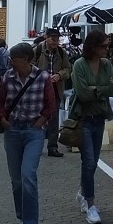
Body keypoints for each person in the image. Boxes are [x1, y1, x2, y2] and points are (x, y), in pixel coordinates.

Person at [0, 42, 56, 224]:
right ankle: (21, 216)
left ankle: (32, 223)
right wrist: (2, 119)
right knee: (16, 180)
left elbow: (50, 105)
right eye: (11, 59)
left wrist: (40, 122)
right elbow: (0, 102)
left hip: (33, 131)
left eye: (15, 59)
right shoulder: (7, 77)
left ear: (27, 60)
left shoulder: (43, 78)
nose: (12, 63)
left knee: (28, 174)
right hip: (12, 131)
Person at [69, 29, 113, 224]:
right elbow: (82, 94)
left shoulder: (106, 65)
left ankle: (82, 193)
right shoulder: (79, 65)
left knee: (93, 161)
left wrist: (96, 89)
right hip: (84, 119)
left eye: (108, 46)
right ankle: (90, 204)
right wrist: (102, 90)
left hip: (99, 118)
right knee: (88, 162)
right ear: (93, 46)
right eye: (104, 46)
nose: (107, 49)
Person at [33, 28, 71, 157]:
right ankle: (35, 146)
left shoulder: (61, 52)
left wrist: (59, 75)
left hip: (55, 90)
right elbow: (30, 67)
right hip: (39, 90)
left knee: (54, 119)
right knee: (39, 118)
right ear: (46, 37)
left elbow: (68, 69)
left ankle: (52, 147)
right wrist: (40, 76)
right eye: (52, 39)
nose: (55, 42)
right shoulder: (37, 50)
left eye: (57, 39)